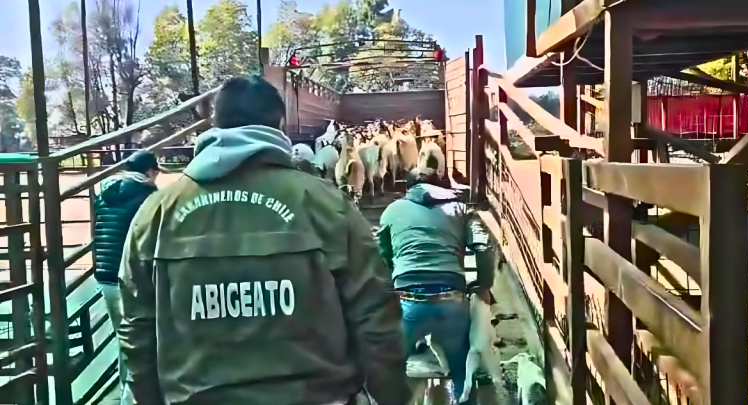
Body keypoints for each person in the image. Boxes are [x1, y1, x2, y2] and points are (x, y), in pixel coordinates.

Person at [118, 76, 410, 405]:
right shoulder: (326, 204)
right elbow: (375, 316)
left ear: (215, 123)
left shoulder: (156, 213)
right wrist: (390, 396)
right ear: (279, 124)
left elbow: (136, 329)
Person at [377, 168, 495, 403]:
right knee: (462, 369)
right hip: (451, 296)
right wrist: (484, 284)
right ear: (442, 186)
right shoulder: (460, 209)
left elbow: (380, 256)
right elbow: (483, 246)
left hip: (406, 299)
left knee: (391, 368)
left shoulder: (392, 210)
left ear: (407, 188)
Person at [94, 150, 160, 404]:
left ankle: (126, 393)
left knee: (124, 336)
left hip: (105, 272)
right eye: (155, 172)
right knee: (139, 338)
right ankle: (131, 396)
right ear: (149, 172)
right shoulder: (148, 194)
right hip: (132, 275)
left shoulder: (104, 192)